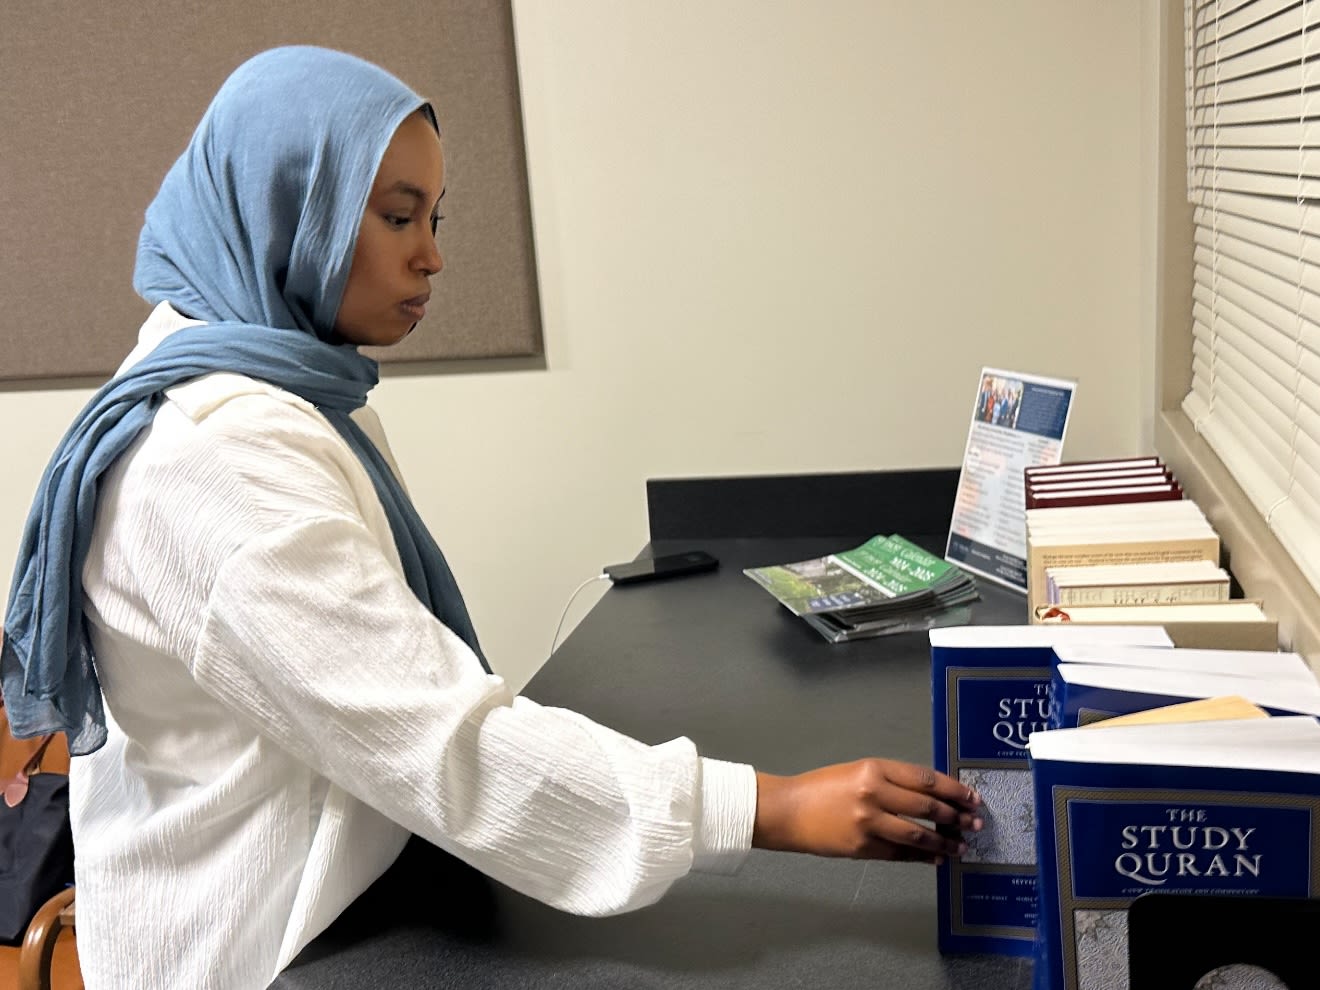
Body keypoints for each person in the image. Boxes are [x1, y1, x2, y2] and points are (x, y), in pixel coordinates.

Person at [1, 46, 981, 990]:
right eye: (396, 216)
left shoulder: (281, 397)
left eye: (436, 215)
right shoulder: (218, 457)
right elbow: (434, 741)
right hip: (264, 950)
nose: (432, 256)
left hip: (342, 903)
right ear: (286, 212)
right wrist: (776, 807)